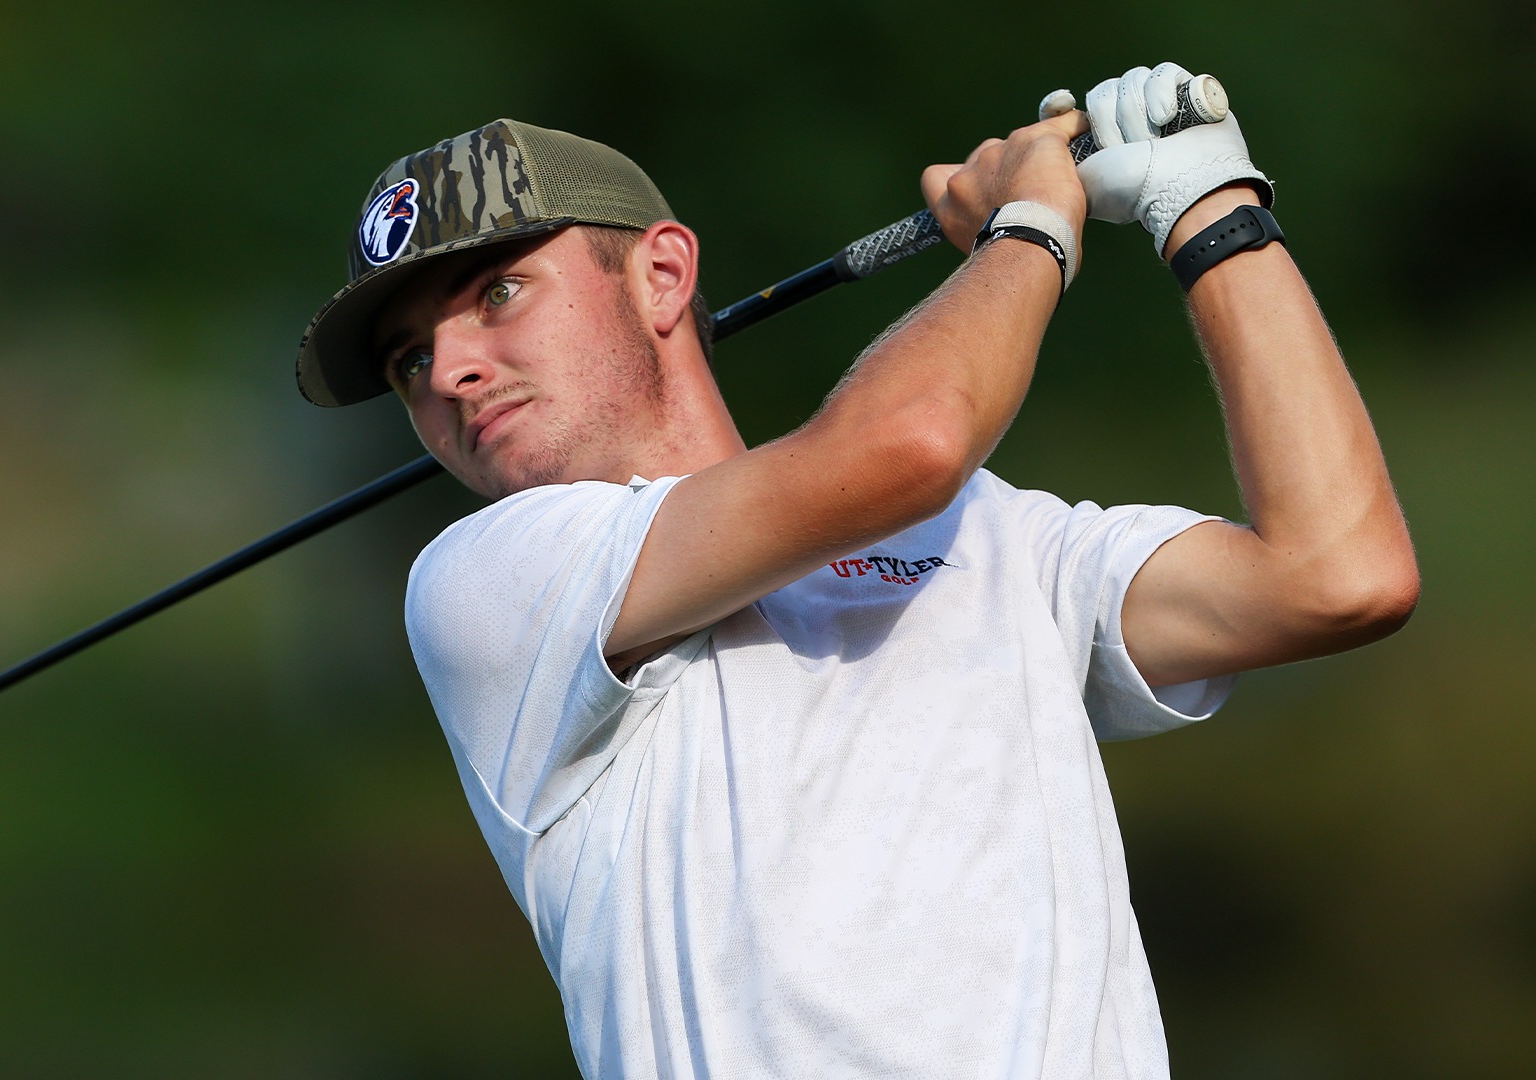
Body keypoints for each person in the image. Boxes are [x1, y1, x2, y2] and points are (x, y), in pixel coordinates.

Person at [293, 62, 1418, 1079]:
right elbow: (910, 447)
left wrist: (1207, 208)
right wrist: (1032, 226)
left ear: (663, 275)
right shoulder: (489, 582)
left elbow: (1338, 574)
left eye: (496, 295)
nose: (451, 370)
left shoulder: (997, 539)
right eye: (408, 360)